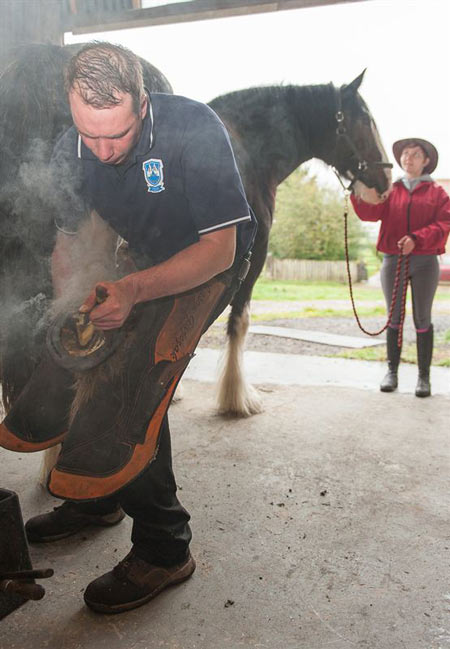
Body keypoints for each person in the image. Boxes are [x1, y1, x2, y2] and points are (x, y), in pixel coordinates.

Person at [0, 43, 256, 613]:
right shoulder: (75, 147)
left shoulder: (194, 127)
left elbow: (219, 247)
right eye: (88, 134)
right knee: (82, 357)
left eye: (115, 135)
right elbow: (70, 238)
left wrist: (133, 290)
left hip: (208, 260)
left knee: (134, 384)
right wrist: (74, 301)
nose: (103, 150)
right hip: (143, 255)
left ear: (142, 103)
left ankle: (166, 548)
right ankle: (97, 499)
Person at [351, 138, 450, 397]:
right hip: (393, 260)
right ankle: (391, 373)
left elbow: (444, 224)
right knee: (393, 318)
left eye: (416, 154)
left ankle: (423, 378)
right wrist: (355, 192)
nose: (409, 158)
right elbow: (371, 213)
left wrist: (417, 238)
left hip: (425, 261)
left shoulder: (438, 193)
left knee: (422, 318)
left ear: (426, 161)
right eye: (406, 154)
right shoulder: (391, 190)